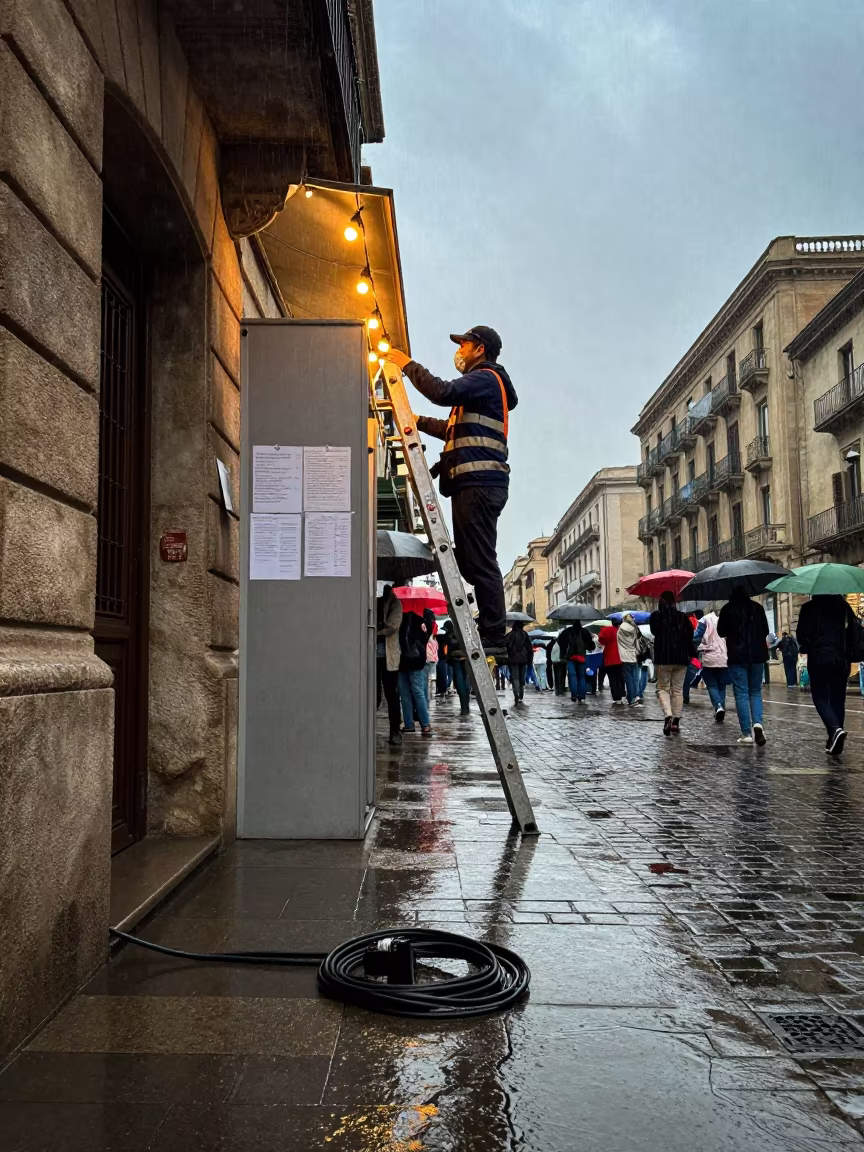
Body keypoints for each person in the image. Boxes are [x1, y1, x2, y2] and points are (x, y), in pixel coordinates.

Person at [386, 328, 516, 654]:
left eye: (464, 344)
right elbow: (451, 430)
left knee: (481, 562)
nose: (460, 351)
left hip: (480, 485)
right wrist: (415, 420)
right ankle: (486, 631)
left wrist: (404, 363)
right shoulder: (482, 390)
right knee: (472, 562)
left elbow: (441, 391)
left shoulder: (485, 378)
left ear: (479, 349)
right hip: (473, 485)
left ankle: (493, 637)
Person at [797, 594, 857, 755]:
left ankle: (835, 730)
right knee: (838, 699)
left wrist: (807, 646)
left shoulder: (808, 608)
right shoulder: (844, 607)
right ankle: (833, 740)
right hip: (842, 659)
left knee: (820, 697)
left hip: (819, 659)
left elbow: (801, 636)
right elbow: (854, 631)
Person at [717, 586, 770, 746]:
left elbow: (721, 632)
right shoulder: (758, 608)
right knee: (755, 691)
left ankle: (746, 733)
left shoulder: (727, 609)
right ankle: (758, 724)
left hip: (737, 656)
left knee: (741, 694)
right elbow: (765, 630)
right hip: (757, 656)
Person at [649, 591, 695, 736]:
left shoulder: (655, 617)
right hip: (681, 658)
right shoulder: (683, 617)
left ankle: (668, 715)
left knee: (663, 687)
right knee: (677, 690)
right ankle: (676, 720)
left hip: (663, 658)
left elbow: (654, 631)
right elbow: (690, 636)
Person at [398, 609, 433, 737]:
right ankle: (422, 724)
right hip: (413, 660)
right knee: (413, 691)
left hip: (406, 660)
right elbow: (426, 637)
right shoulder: (422, 617)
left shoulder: (404, 617)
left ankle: (415, 724)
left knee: (409, 692)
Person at [376, 585, 403, 746]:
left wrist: (377, 629)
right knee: (374, 695)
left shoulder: (395, 603)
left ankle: (395, 731)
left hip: (389, 657)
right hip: (372, 655)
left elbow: (393, 626)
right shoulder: (373, 600)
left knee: (391, 694)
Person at [694, 609, 728, 722]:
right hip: (723, 658)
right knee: (721, 687)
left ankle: (718, 707)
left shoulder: (704, 621)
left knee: (712, 685)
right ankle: (720, 709)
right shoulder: (723, 621)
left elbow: (696, 637)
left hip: (709, 657)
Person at [562, 620, 596, 702]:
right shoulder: (585, 631)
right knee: (581, 677)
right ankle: (582, 696)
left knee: (572, 676)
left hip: (570, 657)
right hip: (581, 656)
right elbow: (590, 645)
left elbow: (561, 642)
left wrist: (564, 653)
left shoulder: (567, 631)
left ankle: (574, 695)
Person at [442, 621, 470, 715]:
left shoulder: (449, 636)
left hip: (457, 659)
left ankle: (464, 707)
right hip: (463, 659)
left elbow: (448, 649)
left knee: (460, 683)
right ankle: (465, 706)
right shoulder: (463, 631)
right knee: (463, 683)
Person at [617, 613, 643, 706]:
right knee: (635, 679)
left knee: (629, 679)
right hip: (633, 656)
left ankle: (631, 698)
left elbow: (618, 642)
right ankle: (636, 696)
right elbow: (636, 643)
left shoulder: (620, 629)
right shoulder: (634, 629)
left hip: (624, 657)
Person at [597, 621, 626, 705]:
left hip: (609, 658)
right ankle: (621, 694)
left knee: (612, 678)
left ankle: (616, 697)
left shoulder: (607, 630)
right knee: (620, 677)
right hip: (620, 657)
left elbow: (601, 641)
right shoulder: (621, 630)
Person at [505, 620, 533, 705]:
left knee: (515, 677)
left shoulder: (509, 635)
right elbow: (529, 649)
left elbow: (506, 646)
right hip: (524, 659)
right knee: (522, 677)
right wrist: (530, 660)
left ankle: (516, 694)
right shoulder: (525, 635)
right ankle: (521, 695)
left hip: (512, 659)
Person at [423, 609, 438, 703]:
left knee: (424, 680)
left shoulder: (423, 625)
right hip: (433, 658)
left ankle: (426, 700)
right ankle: (432, 695)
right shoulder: (434, 626)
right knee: (432, 677)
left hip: (425, 658)